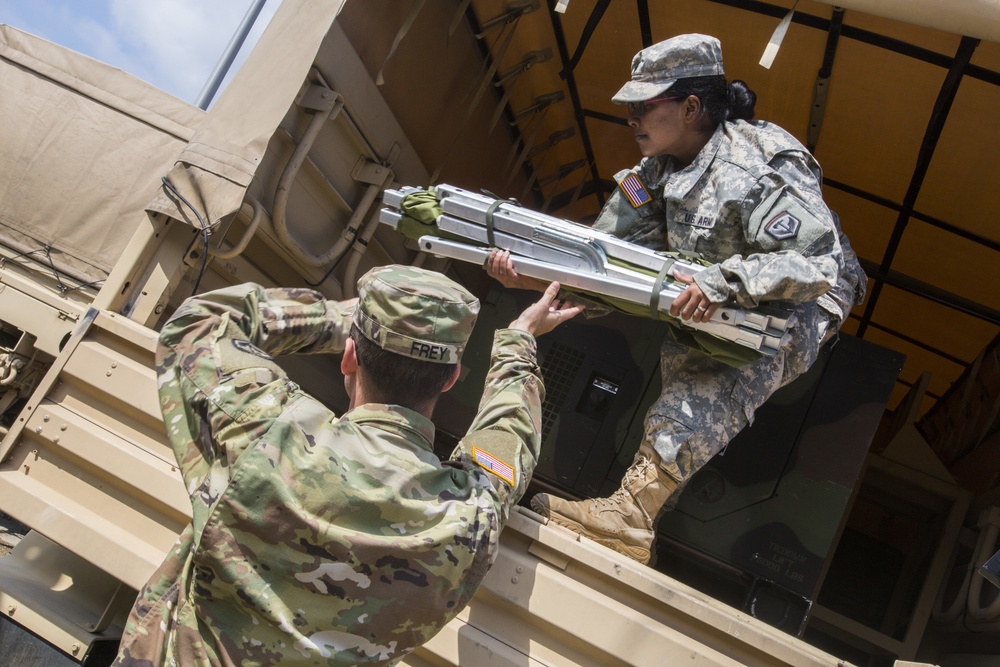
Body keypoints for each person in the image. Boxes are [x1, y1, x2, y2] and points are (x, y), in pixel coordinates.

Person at [488, 33, 866, 565]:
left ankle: (630, 518)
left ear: (691, 107)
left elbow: (816, 264)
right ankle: (631, 516)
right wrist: (537, 275)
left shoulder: (756, 165)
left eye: (644, 106)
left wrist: (720, 284)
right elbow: (606, 257)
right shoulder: (653, 175)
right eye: (628, 110)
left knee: (713, 366)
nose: (631, 120)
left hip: (799, 300)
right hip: (715, 281)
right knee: (690, 348)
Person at [113, 265, 582, 666]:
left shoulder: (267, 430)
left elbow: (200, 323)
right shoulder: (468, 514)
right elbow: (508, 438)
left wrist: (349, 321)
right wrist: (519, 339)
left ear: (350, 356)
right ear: (452, 378)